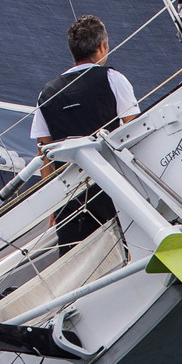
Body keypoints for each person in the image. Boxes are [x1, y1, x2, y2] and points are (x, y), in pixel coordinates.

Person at [31, 15, 140, 253]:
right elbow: (135, 133)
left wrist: (53, 206)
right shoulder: (113, 79)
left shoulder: (46, 93)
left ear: (73, 52)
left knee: (75, 260)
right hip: (113, 191)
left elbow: (44, 156)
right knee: (128, 250)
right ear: (102, 47)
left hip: (69, 201)